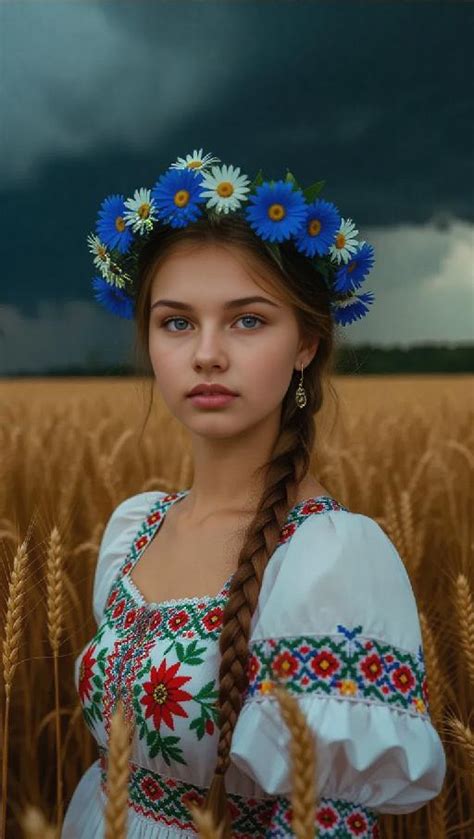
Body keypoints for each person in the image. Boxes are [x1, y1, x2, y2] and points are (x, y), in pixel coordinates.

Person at [61, 149, 446, 838]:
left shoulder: (326, 560)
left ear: (306, 342)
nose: (207, 352)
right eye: (176, 321)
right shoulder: (136, 529)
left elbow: (322, 819)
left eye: (247, 320)